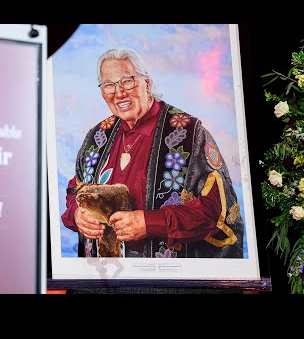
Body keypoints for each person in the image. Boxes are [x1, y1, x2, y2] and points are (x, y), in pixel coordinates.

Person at [61, 48, 244, 258]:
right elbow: (75, 190)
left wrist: (149, 223)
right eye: (108, 85)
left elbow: (216, 210)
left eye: (127, 81)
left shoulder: (190, 134)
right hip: (106, 281)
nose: (119, 92)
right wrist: (77, 215)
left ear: (146, 83)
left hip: (169, 283)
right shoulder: (97, 137)